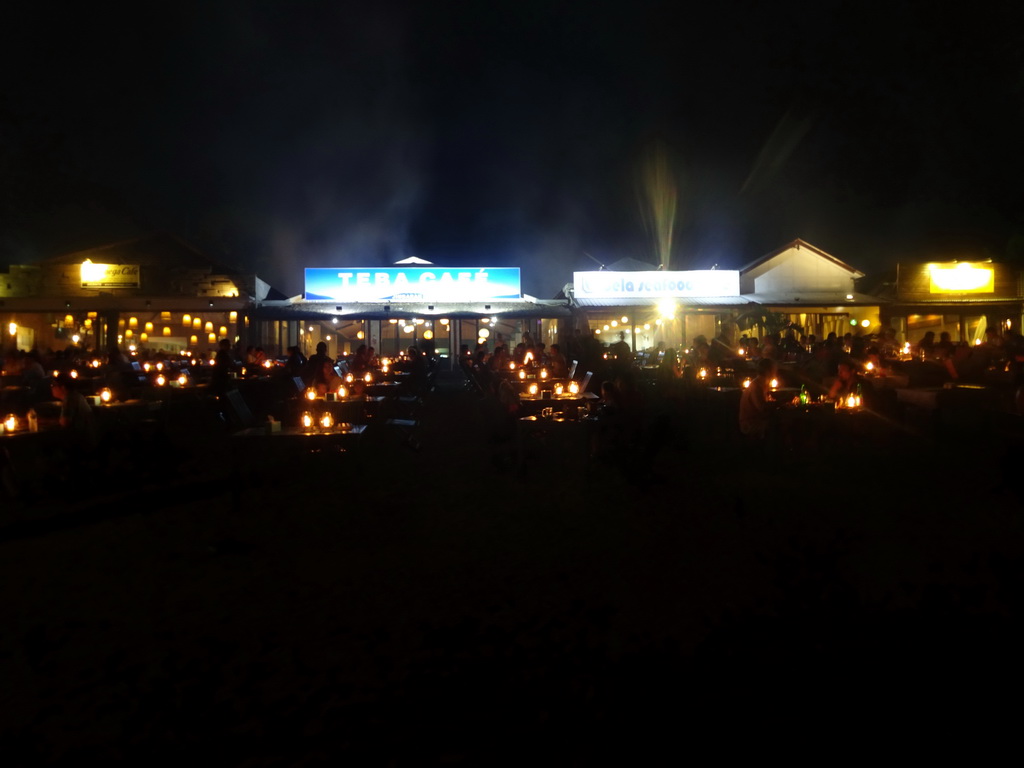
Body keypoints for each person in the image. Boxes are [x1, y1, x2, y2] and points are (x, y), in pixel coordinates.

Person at [739, 358, 775, 440]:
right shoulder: (756, 386)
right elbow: (761, 408)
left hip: (756, 419)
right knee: (777, 424)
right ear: (768, 371)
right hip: (750, 423)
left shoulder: (762, 384)